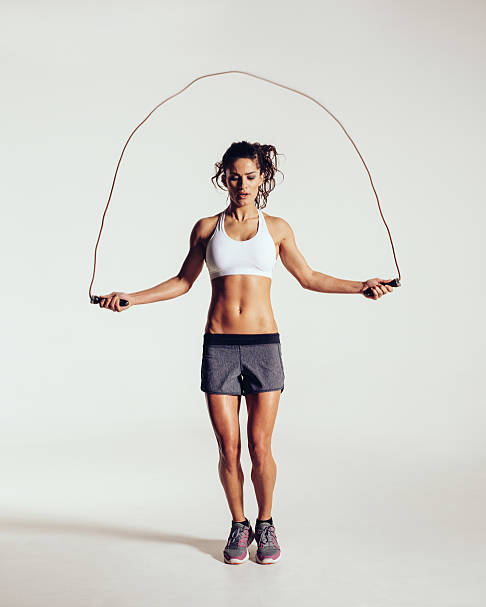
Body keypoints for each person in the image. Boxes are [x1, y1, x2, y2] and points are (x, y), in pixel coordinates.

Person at [98, 140, 394, 565]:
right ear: (224, 176)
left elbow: (308, 277)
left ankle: (266, 522)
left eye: (251, 176)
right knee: (228, 446)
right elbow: (183, 282)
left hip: (262, 346)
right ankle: (239, 524)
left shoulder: (277, 228)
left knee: (259, 444)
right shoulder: (206, 227)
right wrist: (132, 298)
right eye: (234, 176)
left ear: (262, 178)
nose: (242, 184)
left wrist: (360, 285)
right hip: (219, 345)